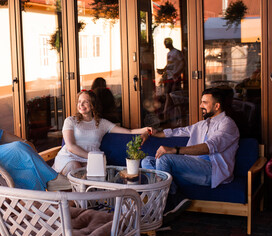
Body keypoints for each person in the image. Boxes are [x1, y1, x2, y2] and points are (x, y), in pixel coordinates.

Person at [141, 87, 240, 222]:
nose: (200, 106)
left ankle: (163, 208)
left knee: (164, 159)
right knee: (147, 161)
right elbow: (179, 131)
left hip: (212, 171)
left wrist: (174, 150)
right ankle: (176, 196)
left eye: (204, 102)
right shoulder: (204, 124)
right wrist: (153, 133)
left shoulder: (228, 125)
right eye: (201, 102)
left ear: (217, 106)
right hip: (193, 170)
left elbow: (209, 147)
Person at [53, 90, 151, 176]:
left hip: (91, 159)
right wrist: (93, 157)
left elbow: (129, 131)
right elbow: (70, 146)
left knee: (93, 171)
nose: (81, 105)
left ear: (93, 105)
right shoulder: (70, 121)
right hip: (70, 157)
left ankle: (87, 196)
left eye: (85, 102)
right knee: (75, 167)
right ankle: (78, 196)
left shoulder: (102, 123)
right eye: (79, 102)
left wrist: (145, 129)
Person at [157, 38, 184, 122]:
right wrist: (163, 70)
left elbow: (183, 62)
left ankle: (170, 114)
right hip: (169, 77)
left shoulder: (177, 52)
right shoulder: (169, 53)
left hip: (174, 78)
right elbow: (169, 65)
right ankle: (165, 113)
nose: (165, 44)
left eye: (166, 43)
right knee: (168, 95)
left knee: (173, 96)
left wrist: (177, 73)